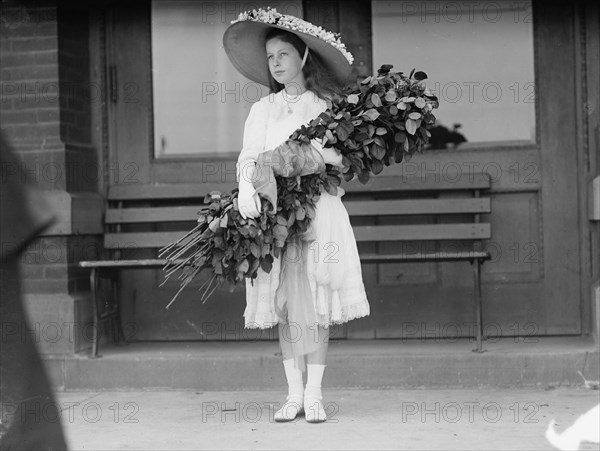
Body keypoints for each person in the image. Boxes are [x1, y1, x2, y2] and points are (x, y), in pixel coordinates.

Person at [223, 8, 370, 423]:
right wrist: (249, 185)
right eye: (270, 57)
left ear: (303, 56)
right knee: (285, 302)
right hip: (277, 218)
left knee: (316, 302)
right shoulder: (263, 110)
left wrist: (309, 156)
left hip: (318, 213)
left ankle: (316, 394)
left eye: (284, 54)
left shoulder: (325, 107)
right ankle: (292, 393)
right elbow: (250, 156)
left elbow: (337, 161)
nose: (277, 63)